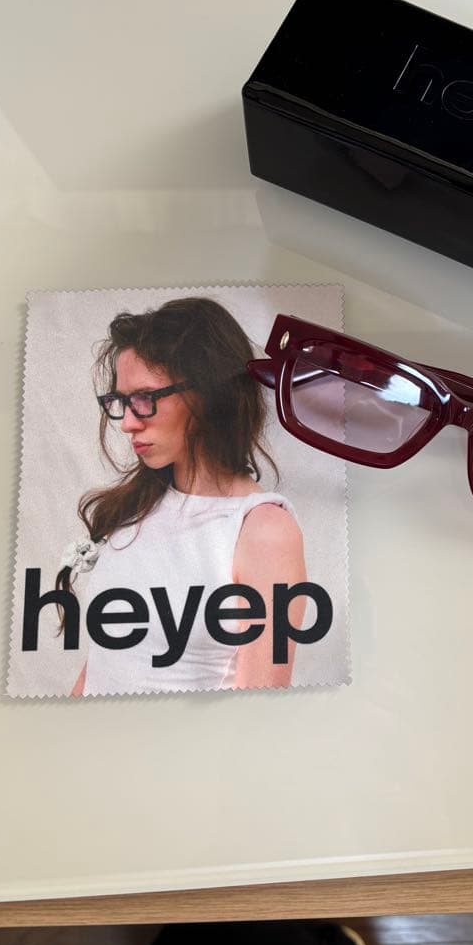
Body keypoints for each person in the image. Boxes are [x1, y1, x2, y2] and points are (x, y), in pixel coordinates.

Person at [57, 296, 306, 696]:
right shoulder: (135, 509)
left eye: (145, 398)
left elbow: (260, 710)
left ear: (207, 394)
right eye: (121, 402)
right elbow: (100, 667)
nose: (127, 423)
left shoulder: (263, 530)